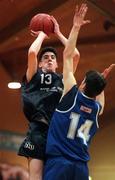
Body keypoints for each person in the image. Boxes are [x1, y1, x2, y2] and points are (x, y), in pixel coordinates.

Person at [43, 4, 115, 180]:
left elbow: (68, 55)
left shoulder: (72, 94)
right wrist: (101, 83)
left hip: (60, 164)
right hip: (81, 169)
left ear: (82, 84)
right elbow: (99, 99)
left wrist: (75, 26)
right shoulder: (98, 109)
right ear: (99, 91)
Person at [18, 15, 79, 180]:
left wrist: (58, 33)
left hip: (58, 132)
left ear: (58, 64)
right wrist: (42, 35)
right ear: (40, 64)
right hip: (38, 131)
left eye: (53, 58)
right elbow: (32, 52)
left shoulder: (64, 78)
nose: (50, 59)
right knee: (36, 176)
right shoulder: (34, 76)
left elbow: (75, 55)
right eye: (45, 58)